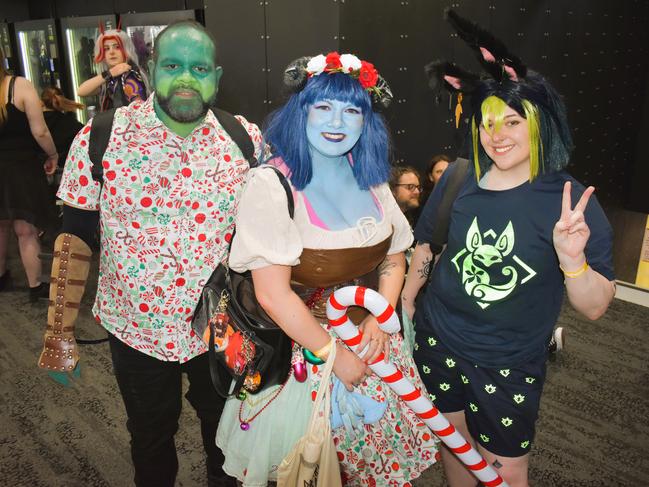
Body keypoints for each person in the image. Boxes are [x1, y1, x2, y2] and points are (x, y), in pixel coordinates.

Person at [38, 20, 261, 487]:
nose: (186, 78)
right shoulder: (99, 139)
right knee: (150, 439)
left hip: (219, 329)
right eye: (173, 65)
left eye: (199, 68)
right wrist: (58, 331)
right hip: (135, 329)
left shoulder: (245, 142)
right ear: (153, 68)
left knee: (228, 440)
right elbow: (74, 241)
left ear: (217, 78)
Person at [402, 11, 615, 487]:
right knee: (452, 444)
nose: (497, 135)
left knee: (504, 467)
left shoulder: (571, 204)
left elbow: (597, 307)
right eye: (488, 122)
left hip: (507, 362)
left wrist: (572, 259)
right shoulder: (459, 177)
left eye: (513, 121)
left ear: (539, 124)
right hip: (439, 340)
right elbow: (428, 243)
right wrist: (409, 300)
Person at [216, 52, 438, 487]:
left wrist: (381, 315)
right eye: (323, 107)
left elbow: (395, 255)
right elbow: (272, 295)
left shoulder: (372, 178)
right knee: (307, 471)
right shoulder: (271, 184)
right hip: (304, 352)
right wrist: (336, 357)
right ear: (301, 112)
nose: (337, 122)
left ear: (366, 120)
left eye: (352, 110)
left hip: (374, 344)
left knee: (372, 469)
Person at [0, 46, 58, 300]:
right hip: (20, 168)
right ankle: (35, 285)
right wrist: (53, 154)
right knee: (26, 230)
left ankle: (1, 278)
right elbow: (40, 131)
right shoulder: (19, 86)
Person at [77, 27, 148, 111]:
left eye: (117, 47)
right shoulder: (111, 77)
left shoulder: (130, 75)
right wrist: (109, 73)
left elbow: (139, 112)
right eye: (106, 48)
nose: (111, 52)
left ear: (126, 49)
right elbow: (81, 91)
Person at [41, 87, 84, 168]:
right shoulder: (69, 122)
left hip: (39, 168)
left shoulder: (35, 122)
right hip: (65, 168)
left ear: (42, 102)